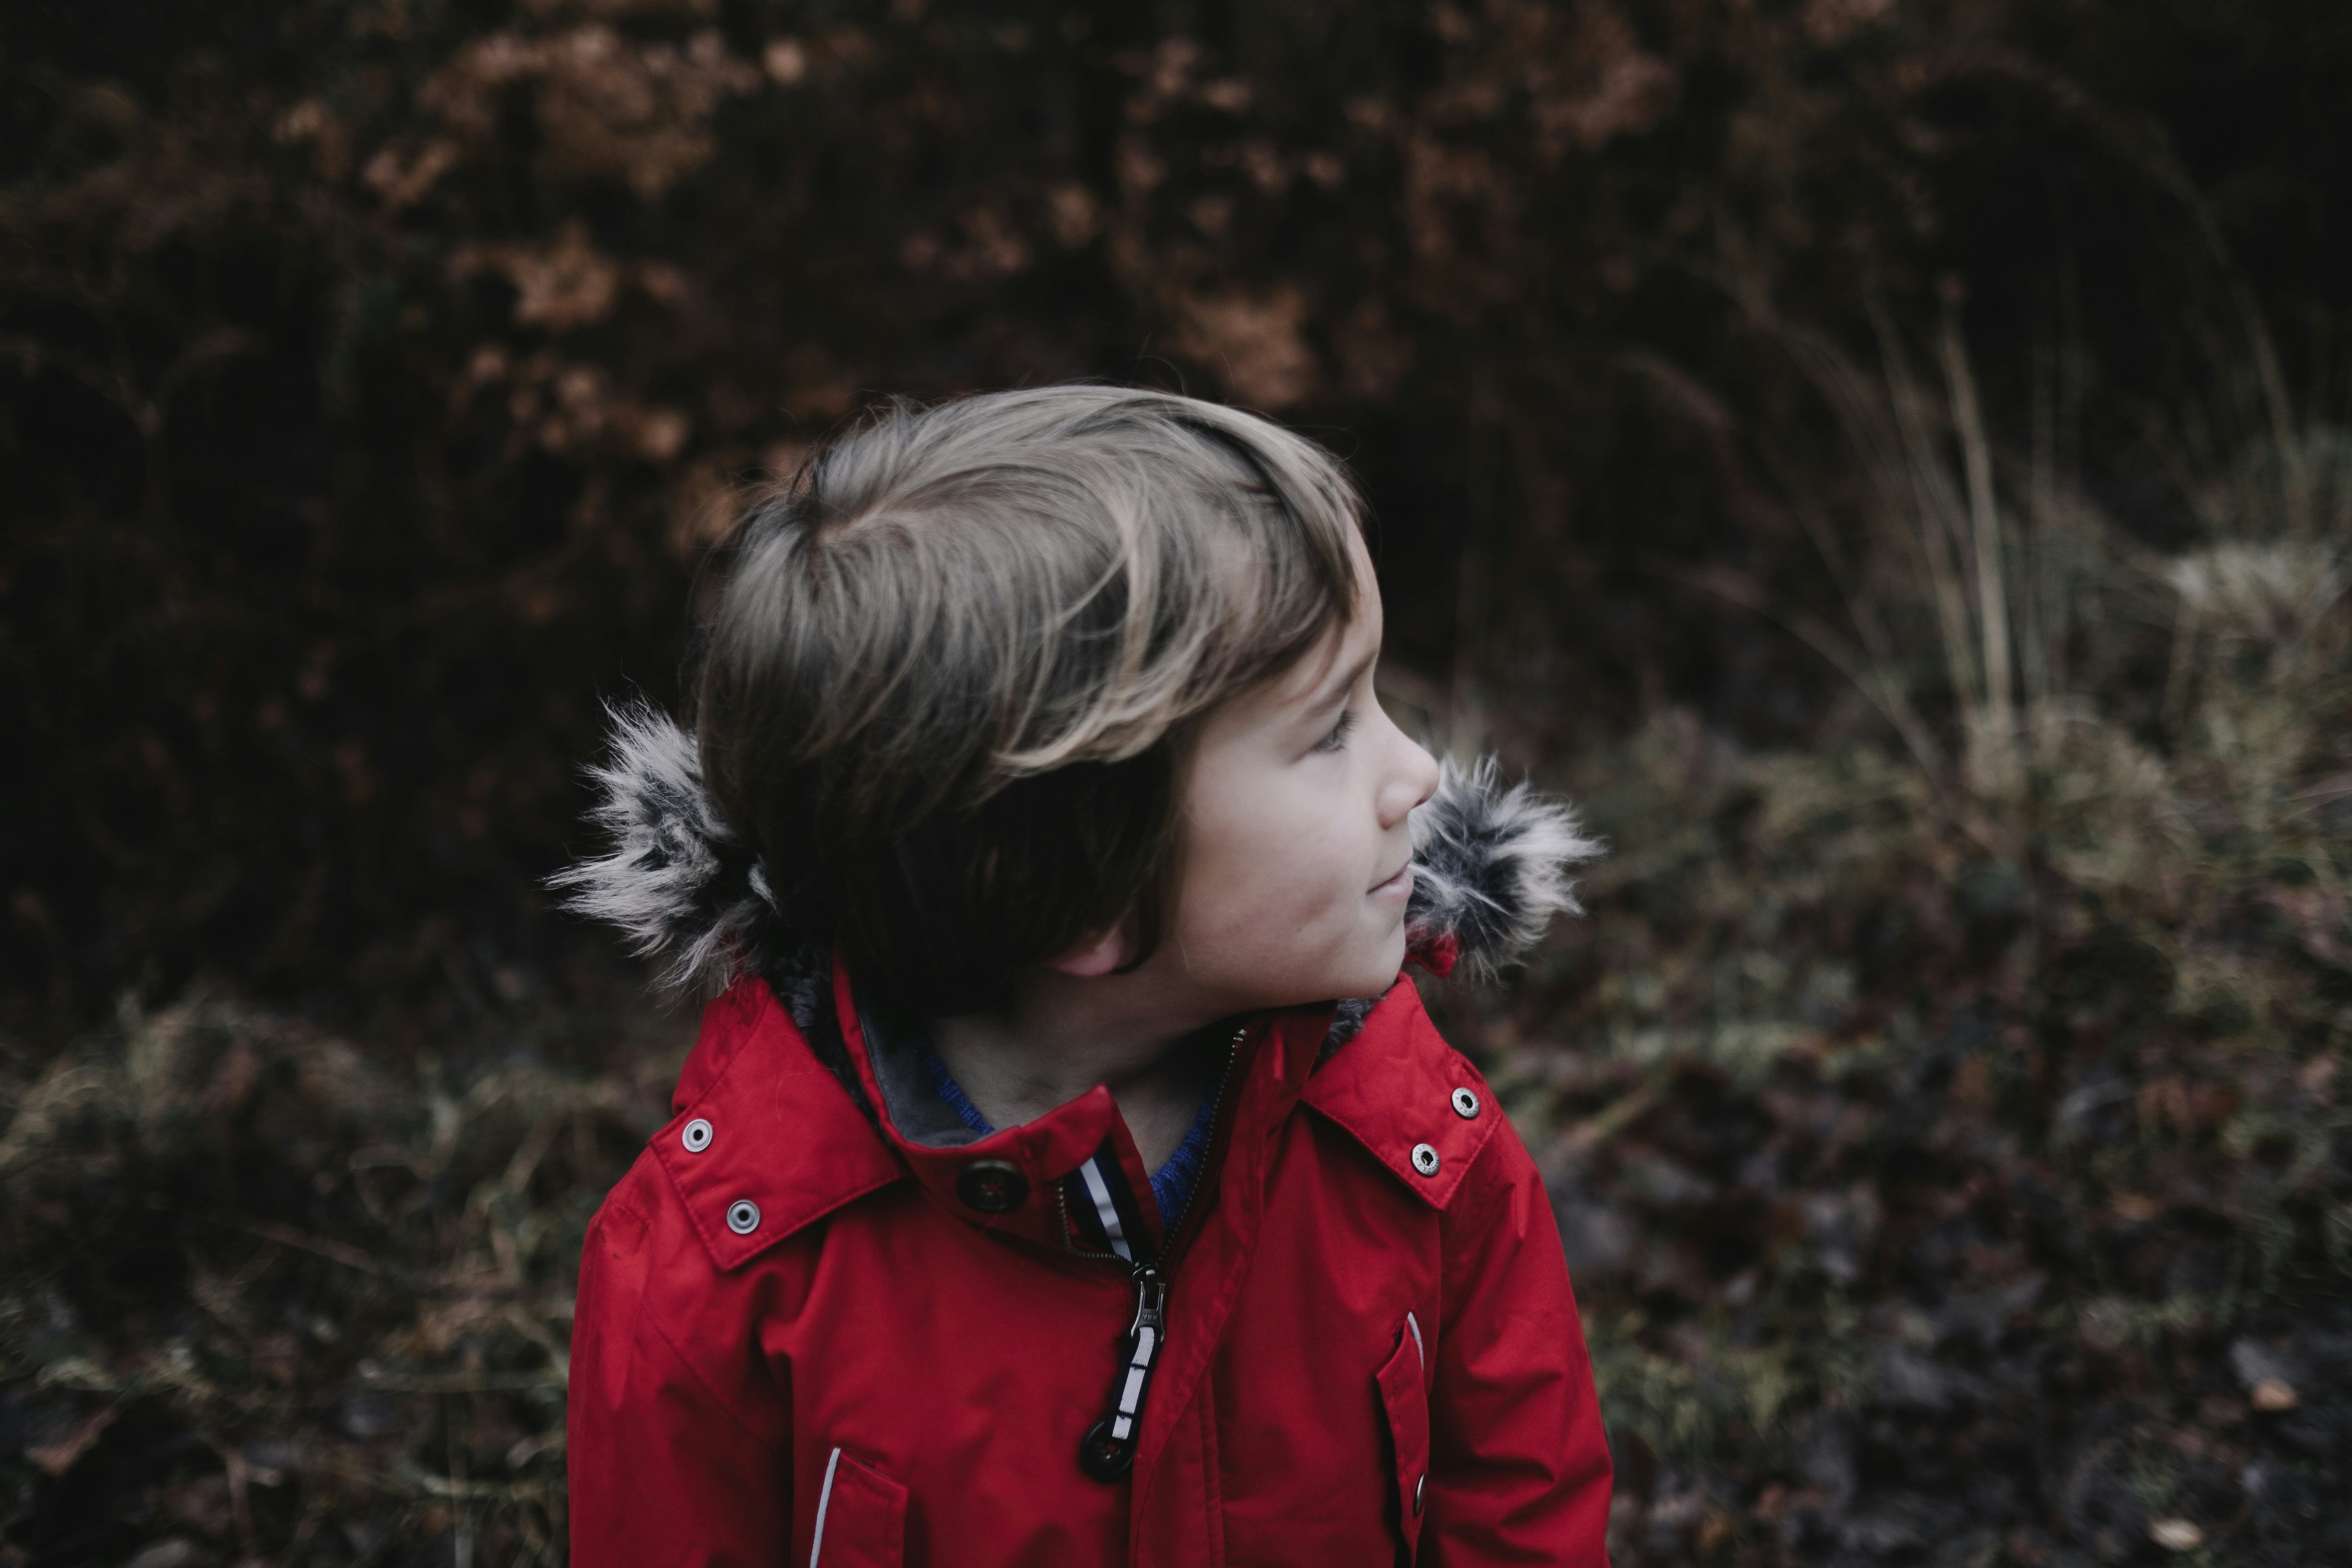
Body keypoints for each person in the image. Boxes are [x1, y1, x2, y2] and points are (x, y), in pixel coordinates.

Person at [554, 385, 1613, 1566]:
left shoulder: (1414, 1143)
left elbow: (1523, 1508)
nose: (1417, 769)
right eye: (1327, 731)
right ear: (1079, 890)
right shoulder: (722, 1278)